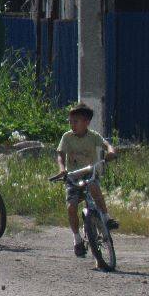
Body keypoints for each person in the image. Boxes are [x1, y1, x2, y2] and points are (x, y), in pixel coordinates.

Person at [57, 103, 118, 257]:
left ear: (86, 122)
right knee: (71, 207)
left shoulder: (94, 137)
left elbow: (106, 145)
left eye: (76, 121)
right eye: (70, 122)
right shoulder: (67, 137)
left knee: (94, 188)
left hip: (89, 173)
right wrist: (62, 168)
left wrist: (110, 152)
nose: (72, 125)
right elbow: (60, 154)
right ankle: (77, 240)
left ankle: (106, 217)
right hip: (73, 176)